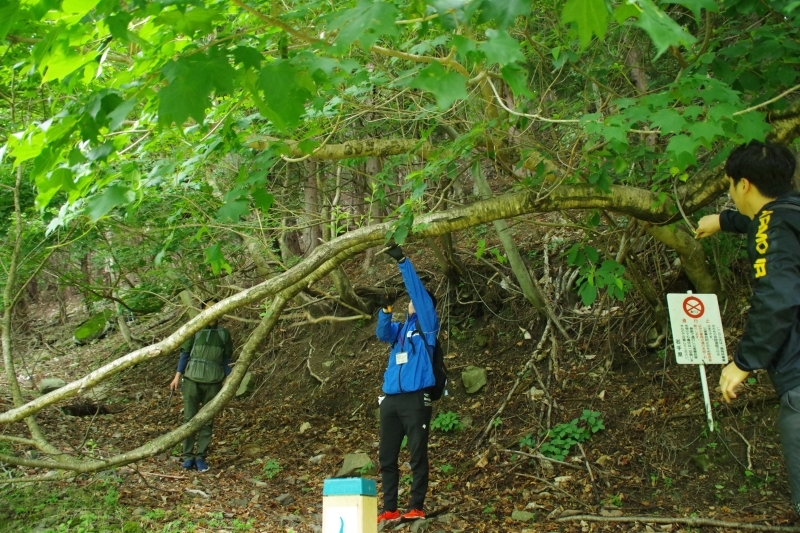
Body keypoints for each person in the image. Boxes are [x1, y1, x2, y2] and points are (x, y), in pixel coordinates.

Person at [695, 140, 800, 516]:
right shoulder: (791, 212)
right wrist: (723, 221)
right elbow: (763, 223)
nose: (729, 191)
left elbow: (777, 297)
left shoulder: (772, 224)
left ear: (744, 185)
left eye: (729, 184)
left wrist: (743, 362)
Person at [375, 245, 439, 523]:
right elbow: (382, 333)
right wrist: (386, 310)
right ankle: (389, 508)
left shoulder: (428, 325)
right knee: (387, 456)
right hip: (391, 400)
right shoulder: (402, 329)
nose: (410, 301)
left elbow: (417, 293)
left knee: (416, 454)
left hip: (415, 399)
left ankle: (416, 506)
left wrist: (402, 261)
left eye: (415, 299)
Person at [169, 298, 233, 472]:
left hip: (213, 383)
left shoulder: (223, 334)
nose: (212, 311)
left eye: (215, 308)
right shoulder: (195, 330)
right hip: (191, 381)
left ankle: (200, 458)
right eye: (208, 308)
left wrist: (229, 379)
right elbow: (185, 354)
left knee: (207, 420)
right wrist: (177, 377)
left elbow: (227, 358)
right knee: (189, 419)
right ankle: (188, 457)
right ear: (203, 311)